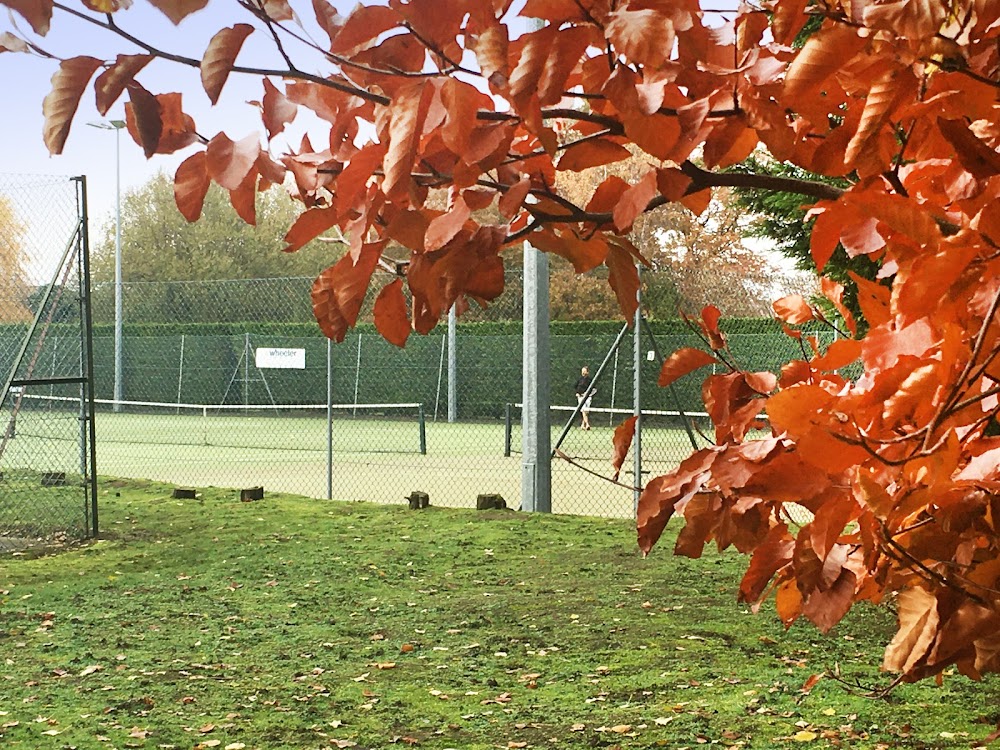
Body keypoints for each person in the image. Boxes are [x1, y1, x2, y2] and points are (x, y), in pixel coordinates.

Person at [575, 365, 594, 430]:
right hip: (580, 397)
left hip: (588, 398)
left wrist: (588, 394)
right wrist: (577, 393)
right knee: (583, 410)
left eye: (584, 371)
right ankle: (587, 424)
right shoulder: (579, 379)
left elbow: (594, 389)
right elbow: (576, 387)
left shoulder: (590, 380)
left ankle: (583, 425)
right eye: (582, 371)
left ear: (587, 372)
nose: (583, 372)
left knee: (586, 412)